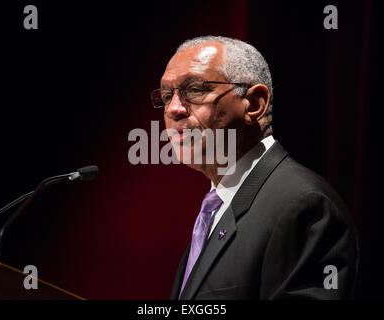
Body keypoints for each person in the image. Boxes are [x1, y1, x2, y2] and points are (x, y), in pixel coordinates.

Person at [152, 36, 359, 299]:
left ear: (254, 104)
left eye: (195, 90)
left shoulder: (305, 206)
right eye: (167, 96)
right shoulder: (219, 204)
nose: (174, 109)